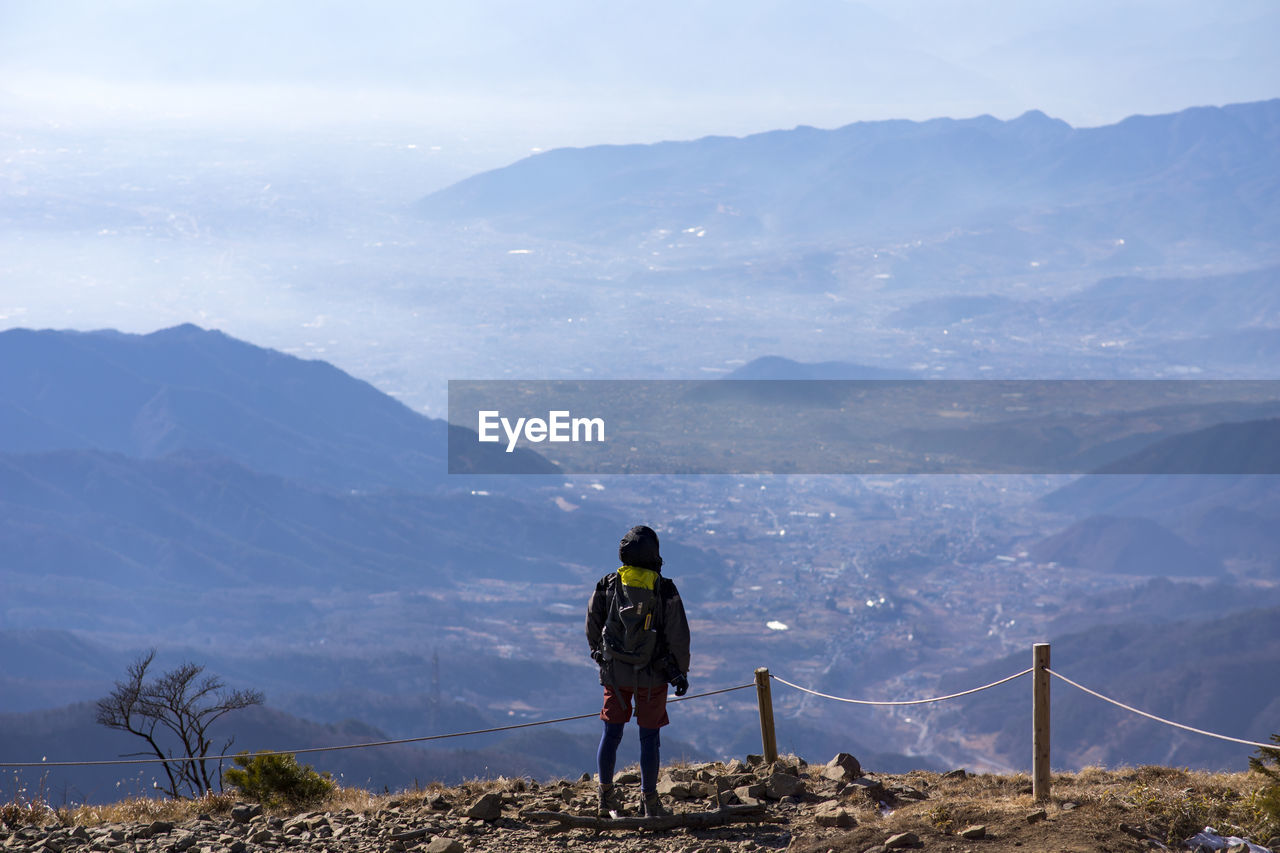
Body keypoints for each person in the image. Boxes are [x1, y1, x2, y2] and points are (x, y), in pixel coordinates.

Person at [586, 525, 690, 818]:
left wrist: (599, 653)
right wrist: (679, 672)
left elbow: (593, 622)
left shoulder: (608, 583)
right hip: (652, 676)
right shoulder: (664, 588)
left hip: (615, 675)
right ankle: (650, 801)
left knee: (611, 733)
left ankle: (605, 798)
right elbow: (678, 635)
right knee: (649, 738)